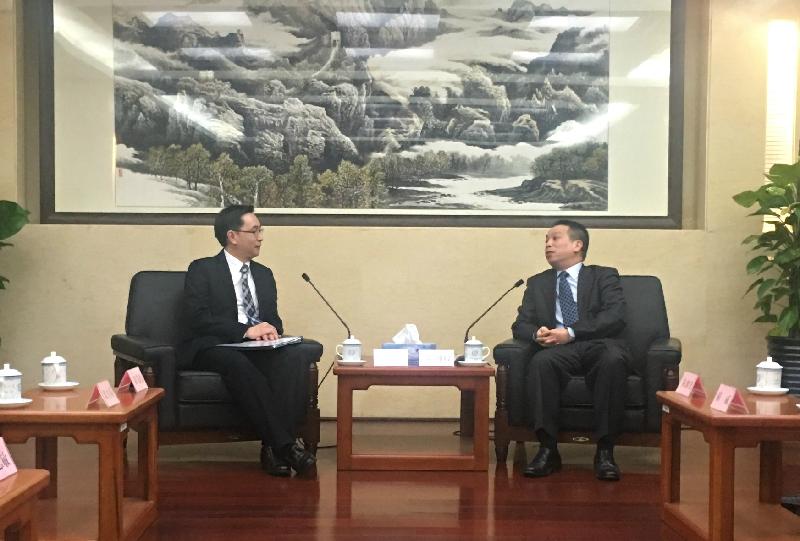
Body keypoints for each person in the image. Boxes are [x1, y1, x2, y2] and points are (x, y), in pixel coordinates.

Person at [179, 205, 316, 477]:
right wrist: (244, 331)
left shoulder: (264, 274)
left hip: (258, 346)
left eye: (260, 230)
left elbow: (274, 319)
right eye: (255, 230)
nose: (260, 237)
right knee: (237, 362)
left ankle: (273, 448)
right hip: (215, 346)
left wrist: (270, 330)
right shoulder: (202, 269)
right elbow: (197, 319)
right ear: (232, 235)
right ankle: (286, 445)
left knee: (296, 356)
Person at [512, 219, 630, 481]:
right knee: (541, 363)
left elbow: (615, 316)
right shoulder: (538, 283)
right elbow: (520, 325)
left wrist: (572, 332)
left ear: (577, 245)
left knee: (612, 360)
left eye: (555, 238)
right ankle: (547, 450)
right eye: (546, 240)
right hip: (558, 349)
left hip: (598, 344)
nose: (548, 244)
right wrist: (537, 333)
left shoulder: (603, 275)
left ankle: (605, 451)